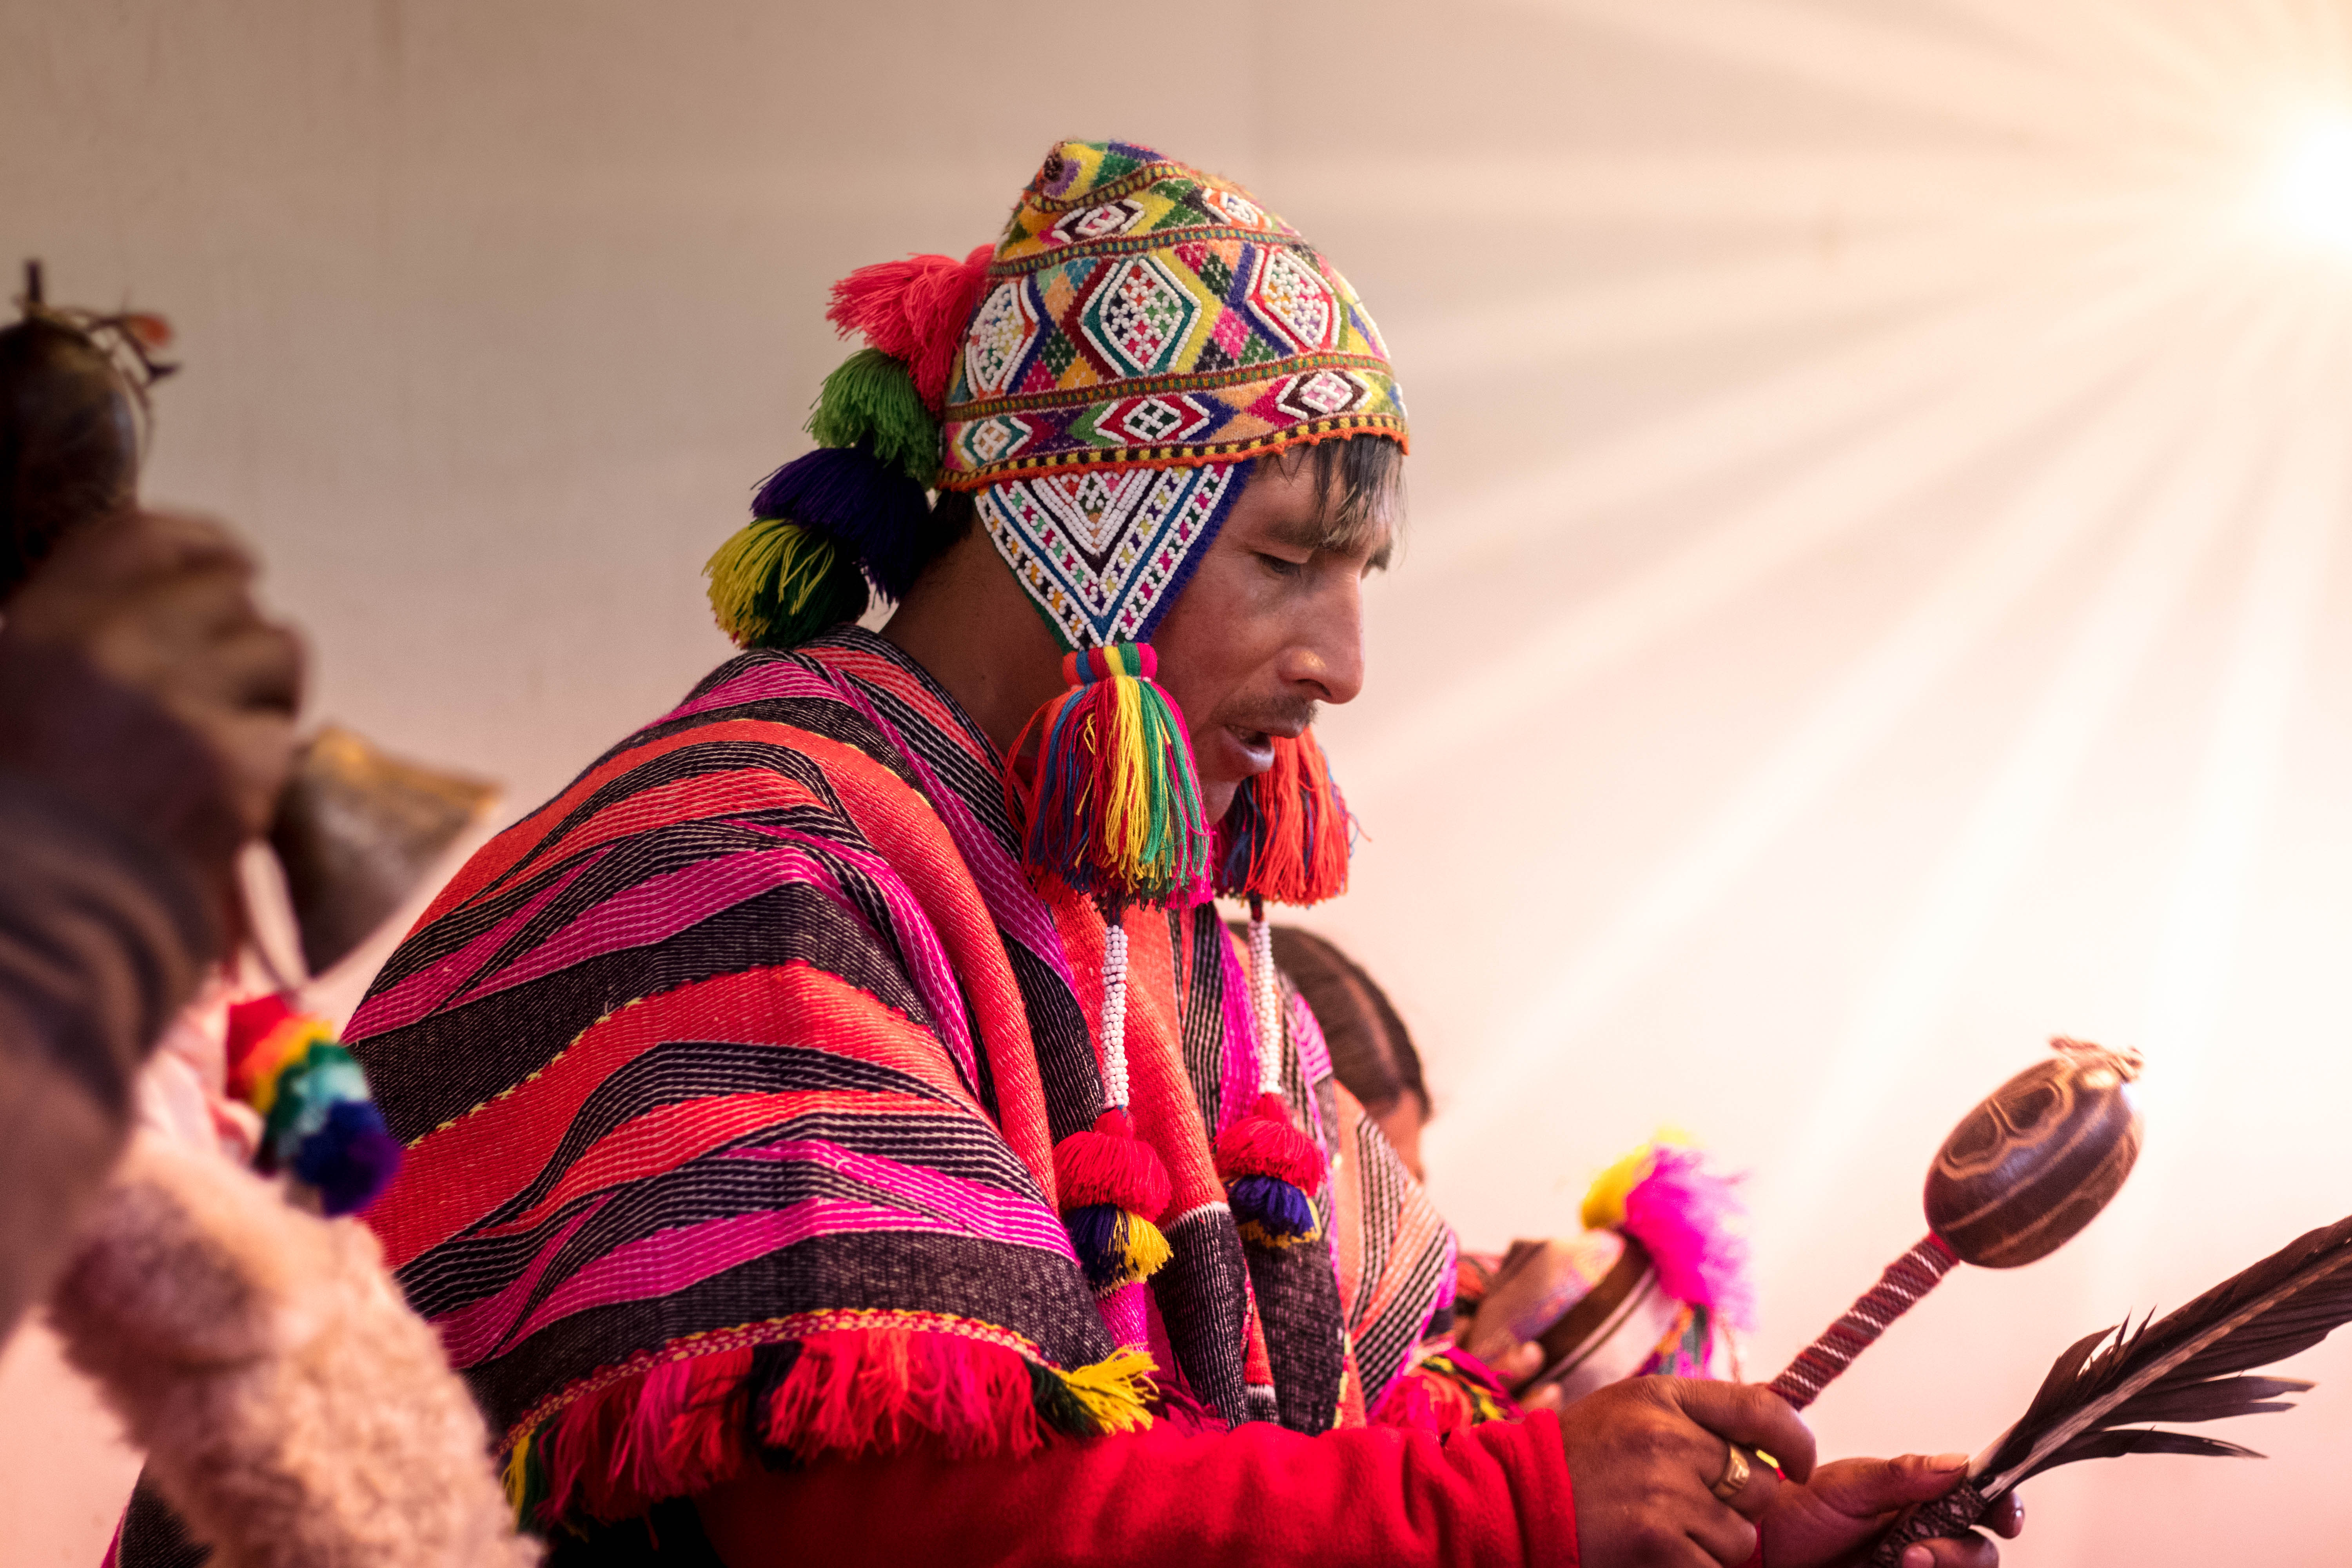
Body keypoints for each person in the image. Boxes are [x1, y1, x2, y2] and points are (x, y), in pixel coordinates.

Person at [330, 142, 2018, 1568]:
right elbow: (873, 1516)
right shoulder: (747, 855)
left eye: (1356, 579)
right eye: (1287, 562)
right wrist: (1509, 1513)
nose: (1343, 663)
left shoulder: (1187, 946)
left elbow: (1354, 1446)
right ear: (1088, 533)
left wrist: (1709, 1539)